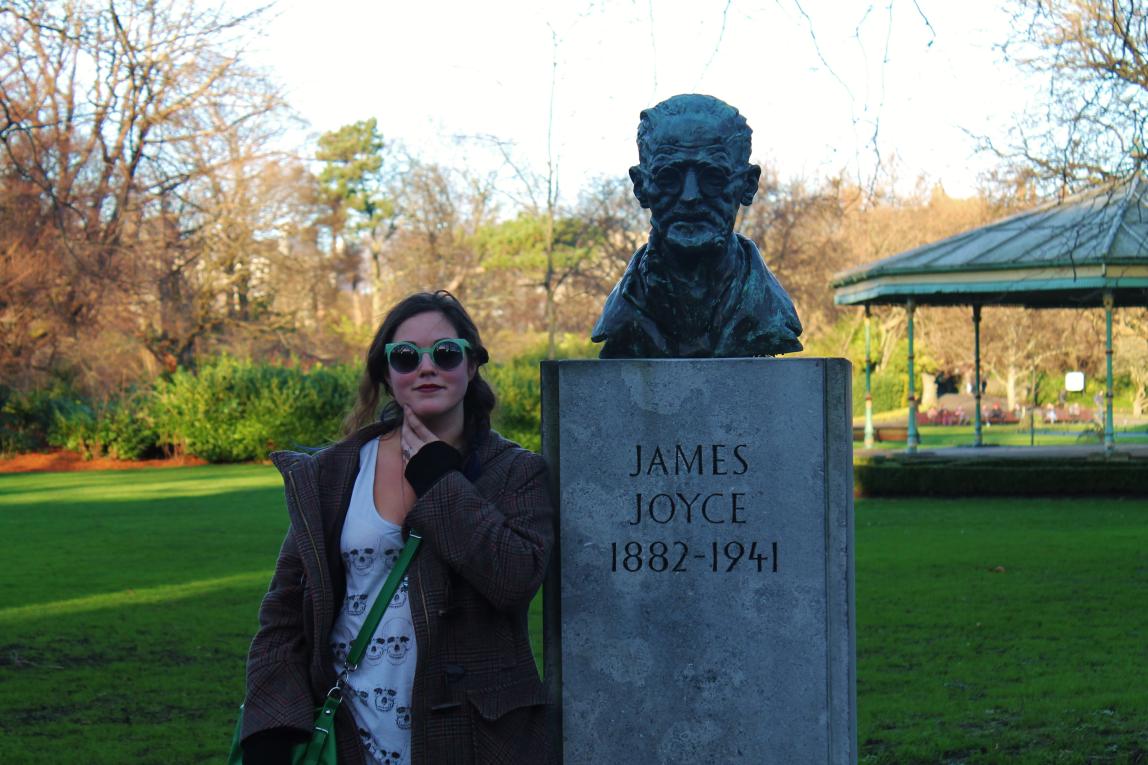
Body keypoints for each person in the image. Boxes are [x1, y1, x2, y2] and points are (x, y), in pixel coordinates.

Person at [239, 291, 554, 765]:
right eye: (406, 357)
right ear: (386, 374)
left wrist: (438, 480)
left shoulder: (516, 472)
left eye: (445, 354)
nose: (426, 368)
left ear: (471, 366)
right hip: (350, 734)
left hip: (479, 740)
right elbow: (284, 612)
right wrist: (272, 726)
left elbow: (515, 578)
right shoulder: (333, 475)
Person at [591, 93, 803, 358]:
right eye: (669, 177)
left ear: (747, 185)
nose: (690, 196)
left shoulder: (768, 312)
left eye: (713, 177)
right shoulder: (624, 314)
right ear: (641, 186)